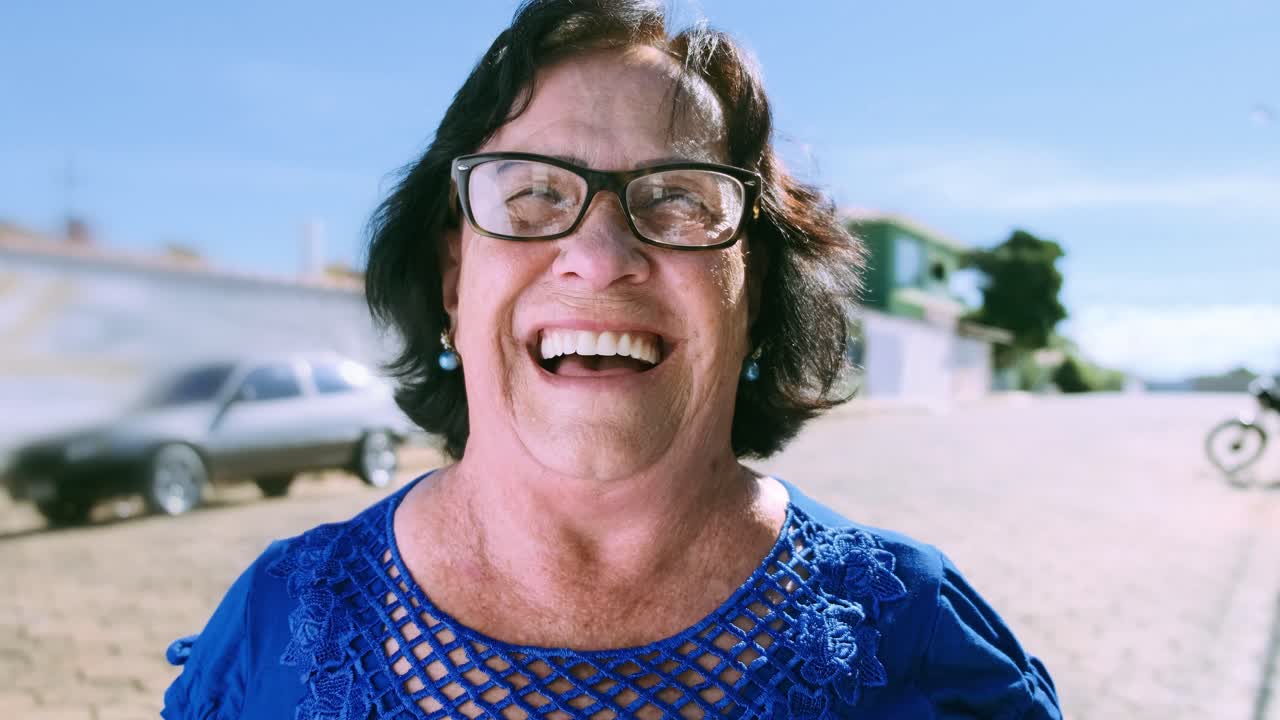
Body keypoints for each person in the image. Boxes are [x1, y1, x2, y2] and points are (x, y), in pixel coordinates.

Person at [162, 1, 1062, 717]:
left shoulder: (924, 642)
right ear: (451, 275)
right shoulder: (271, 623)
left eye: (676, 199)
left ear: (754, 295)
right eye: (531, 194)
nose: (597, 258)